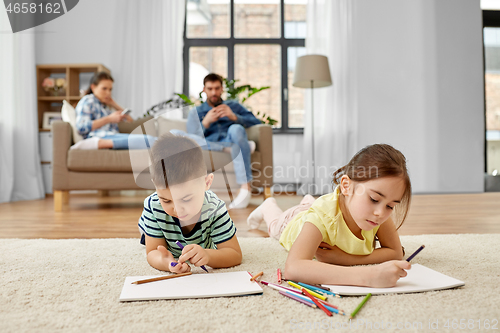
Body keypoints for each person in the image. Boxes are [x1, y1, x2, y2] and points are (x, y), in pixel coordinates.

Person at [246, 144, 412, 288]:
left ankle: (308, 202)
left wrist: (346, 259)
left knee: (313, 207)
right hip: (292, 222)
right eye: (374, 199)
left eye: (390, 206)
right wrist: (369, 275)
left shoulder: (376, 213)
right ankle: (268, 206)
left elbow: (395, 252)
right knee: (275, 226)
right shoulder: (322, 217)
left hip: (324, 208)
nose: (381, 213)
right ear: (346, 186)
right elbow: (293, 268)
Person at [138, 133, 242, 273]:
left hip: (203, 238)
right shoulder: (154, 205)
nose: (178, 209)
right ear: (155, 185)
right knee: (147, 233)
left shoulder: (215, 208)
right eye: (166, 200)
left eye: (186, 199)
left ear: (207, 183)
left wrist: (208, 255)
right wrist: (167, 263)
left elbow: (235, 254)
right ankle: (145, 228)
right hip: (157, 223)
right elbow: (152, 252)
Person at [186, 73, 262, 210]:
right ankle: (232, 148)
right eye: (210, 89)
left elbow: (257, 122)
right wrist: (205, 123)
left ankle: (245, 188)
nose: (214, 92)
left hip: (230, 138)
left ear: (222, 89)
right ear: (204, 90)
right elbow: (192, 139)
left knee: (236, 128)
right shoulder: (195, 112)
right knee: (177, 135)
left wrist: (234, 116)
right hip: (209, 145)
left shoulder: (233, 106)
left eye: (217, 88)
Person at [72, 71, 156, 150]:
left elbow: (130, 121)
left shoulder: (104, 106)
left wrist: (113, 104)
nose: (108, 93)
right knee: (151, 140)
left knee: (151, 140)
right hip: (100, 136)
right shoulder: (88, 101)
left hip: (113, 136)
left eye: (110, 89)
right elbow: (81, 127)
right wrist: (109, 119)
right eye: (104, 89)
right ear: (93, 87)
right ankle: (95, 143)